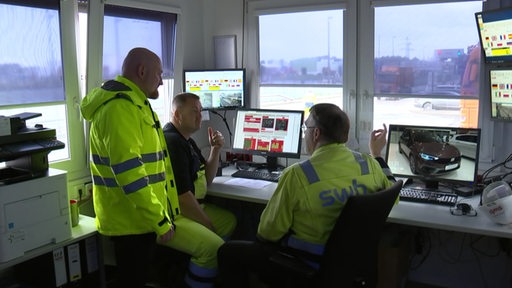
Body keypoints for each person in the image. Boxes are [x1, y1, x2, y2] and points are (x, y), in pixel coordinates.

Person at [217, 103, 395, 287]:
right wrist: (377, 154)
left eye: (306, 128)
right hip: (353, 263)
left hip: (307, 264)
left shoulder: (298, 174)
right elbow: (392, 193)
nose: (304, 133)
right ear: (345, 134)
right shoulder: (368, 163)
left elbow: (268, 233)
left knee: (228, 252)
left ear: (315, 134)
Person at [80, 47, 179, 288]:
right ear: (142, 71)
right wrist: (159, 220)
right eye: (159, 74)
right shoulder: (119, 108)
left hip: (139, 217)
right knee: (133, 280)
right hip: (130, 221)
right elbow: (130, 173)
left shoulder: (136, 103)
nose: (162, 82)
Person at [159, 92, 237, 287]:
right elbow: (183, 199)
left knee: (229, 222)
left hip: (191, 205)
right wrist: (207, 225)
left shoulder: (185, 140)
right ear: (177, 115)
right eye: (194, 111)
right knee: (214, 245)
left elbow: (207, 179)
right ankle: (196, 280)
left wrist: (215, 149)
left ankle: (206, 269)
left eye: (201, 111)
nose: (200, 116)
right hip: (174, 214)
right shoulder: (173, 143)